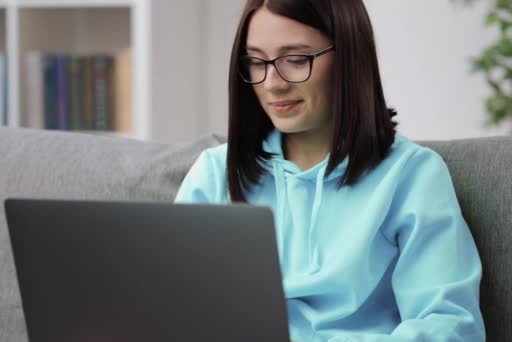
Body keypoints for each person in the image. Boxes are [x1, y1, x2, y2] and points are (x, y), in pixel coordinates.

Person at [174, 0, 485, 340]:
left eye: (295, 60)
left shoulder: (412, 176)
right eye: (256, 61)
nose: (273, 83)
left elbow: (451, 327)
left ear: (349, 57)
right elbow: (172, 310)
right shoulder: (213, 173)